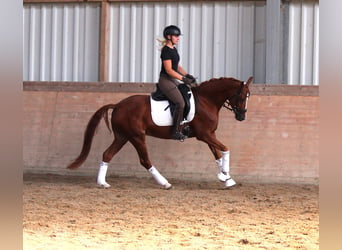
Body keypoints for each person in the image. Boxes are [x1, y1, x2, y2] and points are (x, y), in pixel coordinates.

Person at [158, 25, 196, 141]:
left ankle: (184, 123)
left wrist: (187, 75)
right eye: (176, 36)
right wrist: (183, 79)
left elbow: (177, 66)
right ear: (169, 37)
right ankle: (175, 131)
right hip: (165, 80)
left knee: (188, 95)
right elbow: (169, 70)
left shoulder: (173, 49)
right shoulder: (166, 50)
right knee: (180, 103)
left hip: (172, 79)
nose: (178, 38)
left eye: (178, 36)